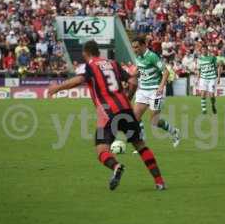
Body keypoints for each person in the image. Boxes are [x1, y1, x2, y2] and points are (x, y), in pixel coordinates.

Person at [48, 40, 166, 191]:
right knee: (140, 146)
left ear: (86, 53)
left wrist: (57, 88)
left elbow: (79, 79)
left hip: (108, 113)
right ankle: (159, 181)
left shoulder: (90, 66)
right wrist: (128, 97)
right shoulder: (113, 63)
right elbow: (133, 81)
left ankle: (116, 166)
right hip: (126, 109)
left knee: (102, 150)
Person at [131, 36, 180, 147]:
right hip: (143, 90)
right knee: (135, 118)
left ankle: (174, 131)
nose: (135, 50)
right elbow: (140, 69)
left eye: (137, 47)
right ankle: (141, 143)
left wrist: (161, 87)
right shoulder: (138, 57)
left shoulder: (152, 57)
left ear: (144, 46)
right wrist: (130, 76)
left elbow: (166, 72)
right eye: (133, 47)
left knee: (154, 121)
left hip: (154, 91)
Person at [196, 45, 222, 114]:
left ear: (207, 50)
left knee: (212, 95)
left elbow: (219, 66)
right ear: (201, 51)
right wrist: (197, 79)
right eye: (202, 50)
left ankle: (213, 105)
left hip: (212, 78)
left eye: (205, 49)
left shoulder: (212, 57)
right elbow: (199, 70)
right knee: (203, 93)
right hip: (203, 78)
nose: (204, 51)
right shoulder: (199, 59)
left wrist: (219, 77)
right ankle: (204, 110)